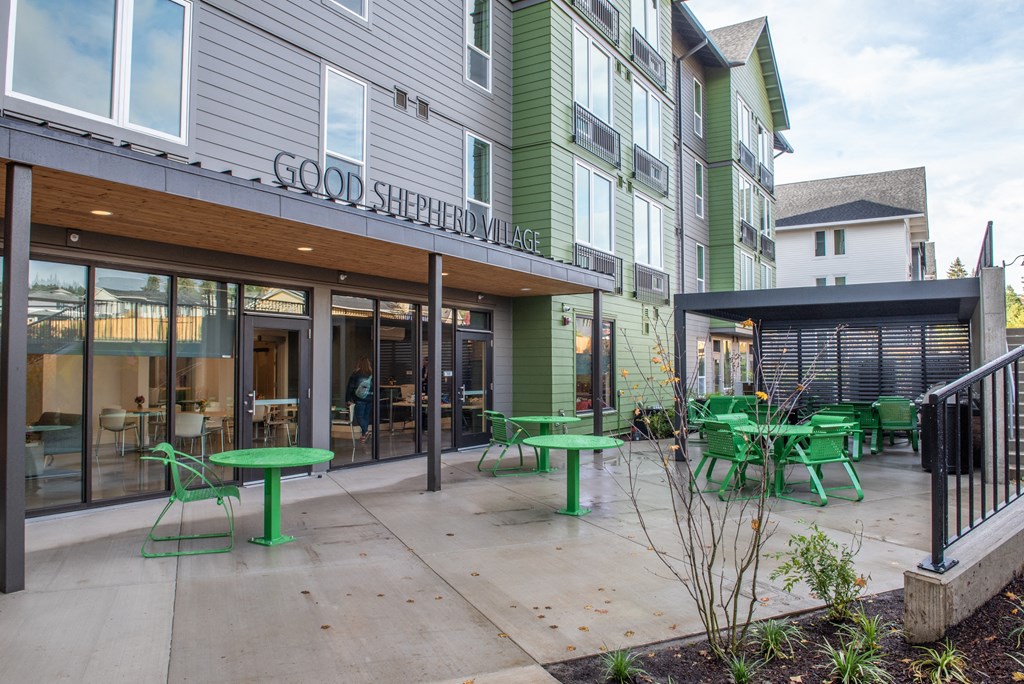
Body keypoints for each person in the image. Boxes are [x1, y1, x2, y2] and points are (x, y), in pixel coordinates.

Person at [346, 356, 373, 443]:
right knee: (365, 417)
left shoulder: (355, 374)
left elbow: (350, 388)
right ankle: (364, 435)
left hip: (359, 399)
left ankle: (365, 431)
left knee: (359, 417)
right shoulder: (371, 374)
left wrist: (348, 399)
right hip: (369, 399)